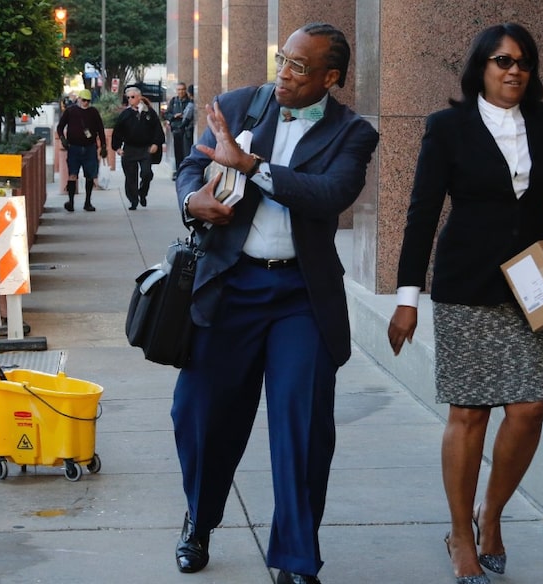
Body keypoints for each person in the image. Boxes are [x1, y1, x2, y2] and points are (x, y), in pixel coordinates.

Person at [387, 23, 543, 584]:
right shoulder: (447, 127)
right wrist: (407, 298)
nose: (514, 70)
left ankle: (492, 514)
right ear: (480, 68)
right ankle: (461, 533)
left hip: (531, 284)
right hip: (465, 284)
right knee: (468, 413)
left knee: (528, 409)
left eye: (524, 63)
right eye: (502, 60)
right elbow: (421, 213)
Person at [171, 23, 378, 584]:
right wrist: (194, 200)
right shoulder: (241, 104)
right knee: (199, 413)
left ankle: (295, 557)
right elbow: (192, 164)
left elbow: (330, 195)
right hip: (230, 285)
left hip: (300, 297)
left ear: (330, 78)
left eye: (299, 67)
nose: (284, 73)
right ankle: (200, 519)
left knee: (301, 425)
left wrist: (252, 167)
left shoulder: (352, 133)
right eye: (282, 59)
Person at [110, 86, 165, 210]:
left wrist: (156, 144)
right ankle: (133, 200)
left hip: (145, 148)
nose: (130, 99)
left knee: (146, 173)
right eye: (128, 97)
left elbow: (157, 129)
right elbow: (117, 132)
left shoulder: (149, 112)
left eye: (132, 97)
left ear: (139, 97)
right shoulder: (125, 114)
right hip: (130, 148)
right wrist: (117, 148)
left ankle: (143, 192)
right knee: (130, 177)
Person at [56, 88, 107, 212]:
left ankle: (87, 202)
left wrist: (103, 146)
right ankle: (71, 201)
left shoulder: (93, 112)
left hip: (90, 147)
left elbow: (100, 129)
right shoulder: (70, 111)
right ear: (79, 99)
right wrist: (63, 138)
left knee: (90, 175)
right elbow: (60, 127)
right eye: (84, 100)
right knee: (72, 174)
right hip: (74, 147)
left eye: (88, 101)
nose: (86, 103)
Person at [164, 82, 193, 179]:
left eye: (183, 89)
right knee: (178, 152)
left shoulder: (189, 102)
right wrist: (174, 116)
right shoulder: (174, 101)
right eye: (179, 89)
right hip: (176, 130)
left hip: (186, 130)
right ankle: (178, 171)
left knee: (186, 152)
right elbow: (167, 114)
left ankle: (186, 172)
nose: (181, 91)